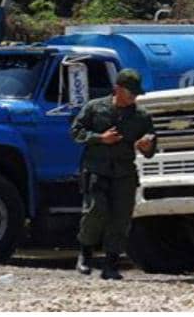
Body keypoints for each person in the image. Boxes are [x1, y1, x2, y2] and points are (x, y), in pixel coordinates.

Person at [71, 69, 156, 280]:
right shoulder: (95, 107)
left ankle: (110, 264)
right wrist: (100, 138)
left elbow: (150, 149)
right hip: (96, 169)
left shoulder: (141, 116)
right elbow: (76, 132)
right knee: (95, 211)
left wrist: (145, 146)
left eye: (136, 94)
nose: (133, 98)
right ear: (117, 89)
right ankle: (85, 254)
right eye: (130, 93)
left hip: (124, 173)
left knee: (120, 218)